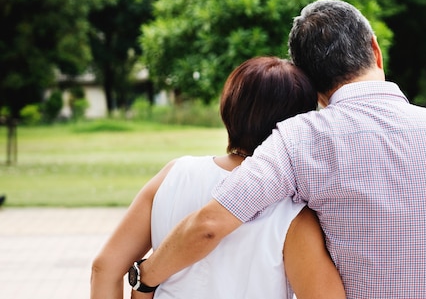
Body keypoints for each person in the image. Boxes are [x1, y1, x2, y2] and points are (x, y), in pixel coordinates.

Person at [135, 0, 426, 299]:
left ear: (308, 80)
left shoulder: (299, 140)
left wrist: (146, 279)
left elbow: (210, 225)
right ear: (375, 50)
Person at [91, 56, 346, 299]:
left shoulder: (174, 174)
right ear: (299, 125)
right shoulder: (293, 210)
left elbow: (105, 268)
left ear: (228, 108)